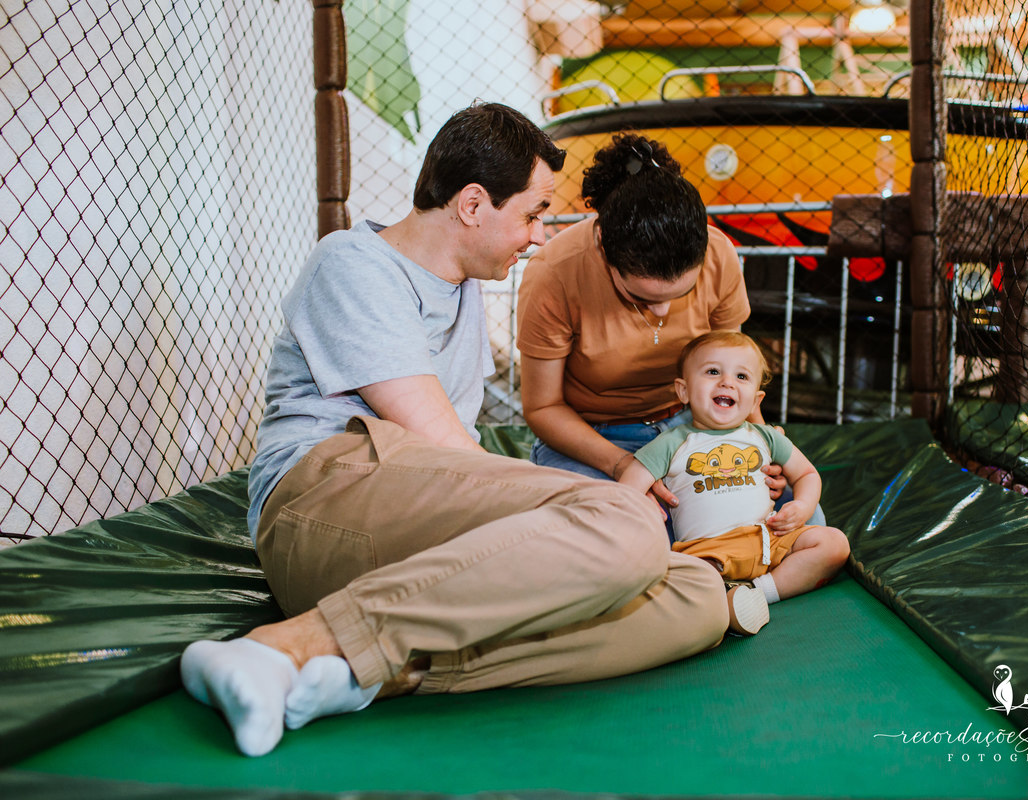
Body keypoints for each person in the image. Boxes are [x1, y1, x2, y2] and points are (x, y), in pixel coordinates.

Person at [179, 103, 729, 758]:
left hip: (419, 552)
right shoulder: (352, 261)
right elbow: (440, 444)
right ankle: (285, 647)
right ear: (472, 205)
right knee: (624, 524)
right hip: (323, 503)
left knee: (698, 596)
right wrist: (576, 513)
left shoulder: (462, 286)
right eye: (532, 213)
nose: (538, 235)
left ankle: (368, 674)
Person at [517, 133, 824, 527]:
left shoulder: (720, 254)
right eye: (640, 296)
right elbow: (543, 407)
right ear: (604, 248)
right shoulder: (554, 274)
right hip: (594, 439)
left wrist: (757, 442)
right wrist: (626, 466)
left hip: (697, 424)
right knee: (629, 533)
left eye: (682, 292)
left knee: (803, 520)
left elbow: (735, 366)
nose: (662, 310)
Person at [618, 331, 850, 636]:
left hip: (769, 540)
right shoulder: (671, 443)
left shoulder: (765, 436)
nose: (727, 382)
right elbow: (626, 491)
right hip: (707, 553)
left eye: (741, 376)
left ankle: (760, 593)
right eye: (713, 372)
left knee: (834, 544)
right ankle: (726, 599)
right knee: (676, 583)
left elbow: (806, 474)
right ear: (683, 391)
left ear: (755, 399)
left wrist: (803, 506)